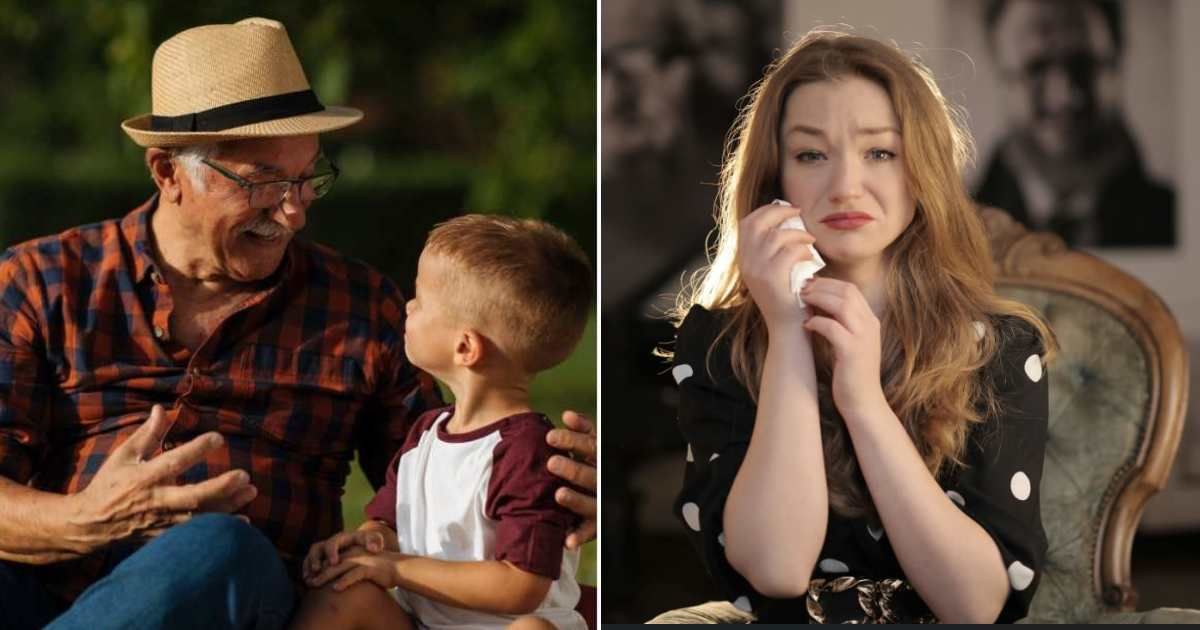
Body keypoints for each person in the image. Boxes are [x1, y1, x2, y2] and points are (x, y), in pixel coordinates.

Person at [0, 18, 596, 630]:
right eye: (262, 182)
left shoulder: (359, 308)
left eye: (307, 178)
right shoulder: (41, 280)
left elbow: (448, 469)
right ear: (167, 172)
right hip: (46, 587)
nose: (293, 212)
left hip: (232, 593)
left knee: (217, 549)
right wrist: (88, 519)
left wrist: (549, 489)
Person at [657, 30, 1057, 623]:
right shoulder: (719, 348)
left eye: (880, 153)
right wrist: (788, 332)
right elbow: (776, 568)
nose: (845, 185)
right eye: (811, 155)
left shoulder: (997, 348)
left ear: (920, 170)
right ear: (776, 179)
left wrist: (864, 401)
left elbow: (974, 605)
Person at [291, 214, 592, 630]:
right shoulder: (426, 433)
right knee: (344, 594)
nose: (408, 307)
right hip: (425, 623)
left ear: (465, 346)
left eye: (419, 299)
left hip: (504, 625)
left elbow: (522, 586)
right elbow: (391, 522)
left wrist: (396, 569)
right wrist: (370, 543)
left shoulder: (527, 453)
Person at [974, 0, 1175, 247]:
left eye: (1083, 64)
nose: (1065, 97)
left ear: (1117, 64)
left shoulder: (1174, 222)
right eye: (1036, 68)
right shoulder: (954, 229)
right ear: (998, 75)